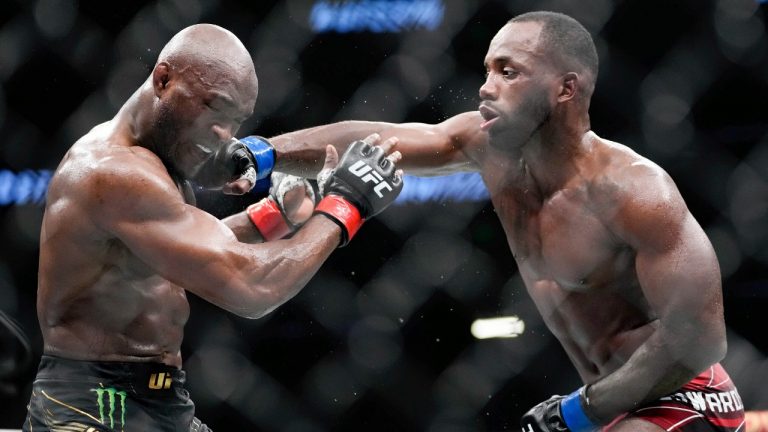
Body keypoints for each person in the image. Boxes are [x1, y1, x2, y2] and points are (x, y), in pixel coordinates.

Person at [260, 11, 745, 432]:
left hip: (682, 394)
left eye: (508, 72)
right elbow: (373, 138)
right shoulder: (486, 147)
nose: (485, 86)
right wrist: (261, 155)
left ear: (565, 88)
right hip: (604, 400)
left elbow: (701, 338)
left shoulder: (634, 189)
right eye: (488, 69)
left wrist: (584, 411)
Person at [24, 24, 402, 432]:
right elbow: (251, 288)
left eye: (236, 120)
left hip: (161, 398)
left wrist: (274, 216)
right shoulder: (115, 172)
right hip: (95, 403)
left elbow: (177, 253)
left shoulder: (157, 163)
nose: (225, 134)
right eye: (214, 108)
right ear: (163, 79)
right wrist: (345, 205)